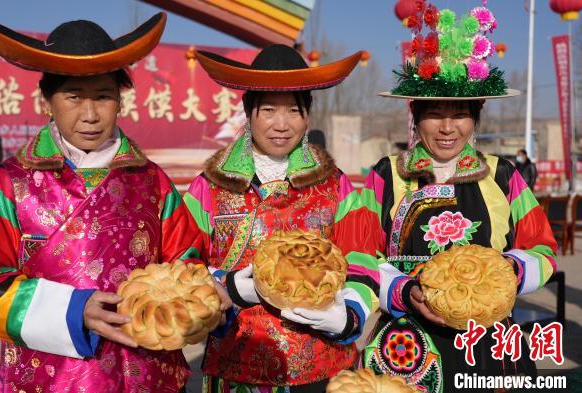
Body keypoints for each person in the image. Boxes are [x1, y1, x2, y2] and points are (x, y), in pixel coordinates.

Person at [0, 14, 230, 393]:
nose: (90, 115)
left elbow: (187, 259)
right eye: (73, 97)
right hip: (49, 377)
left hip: (148, 374)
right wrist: (71, 310)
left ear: (120, 101)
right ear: (47, 101)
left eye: (103, 96)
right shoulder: (11, 183)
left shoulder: (151, 181)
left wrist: (203, 291)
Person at [361, 4, 557, 393]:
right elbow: (357, 255)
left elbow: (543, 250)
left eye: (461, 113)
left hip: (486, 347)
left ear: (476, 116)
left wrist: (500, 278)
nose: (448, 127)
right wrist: (403, 290)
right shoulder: (386, 175)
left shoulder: (503, 175)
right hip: (407, 346)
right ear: (415, 116)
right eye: (435, 113)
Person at [186, 44, 383, 392]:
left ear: (307, 116)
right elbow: (182, 260)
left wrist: (348, 315)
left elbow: (362, 258)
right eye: (268, 110)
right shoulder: (211, 186)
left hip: (323, 366)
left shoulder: (335, 184)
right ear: (249, 114)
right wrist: (227, 286)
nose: (281, 124)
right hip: (236, 367)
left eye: (293, 110)